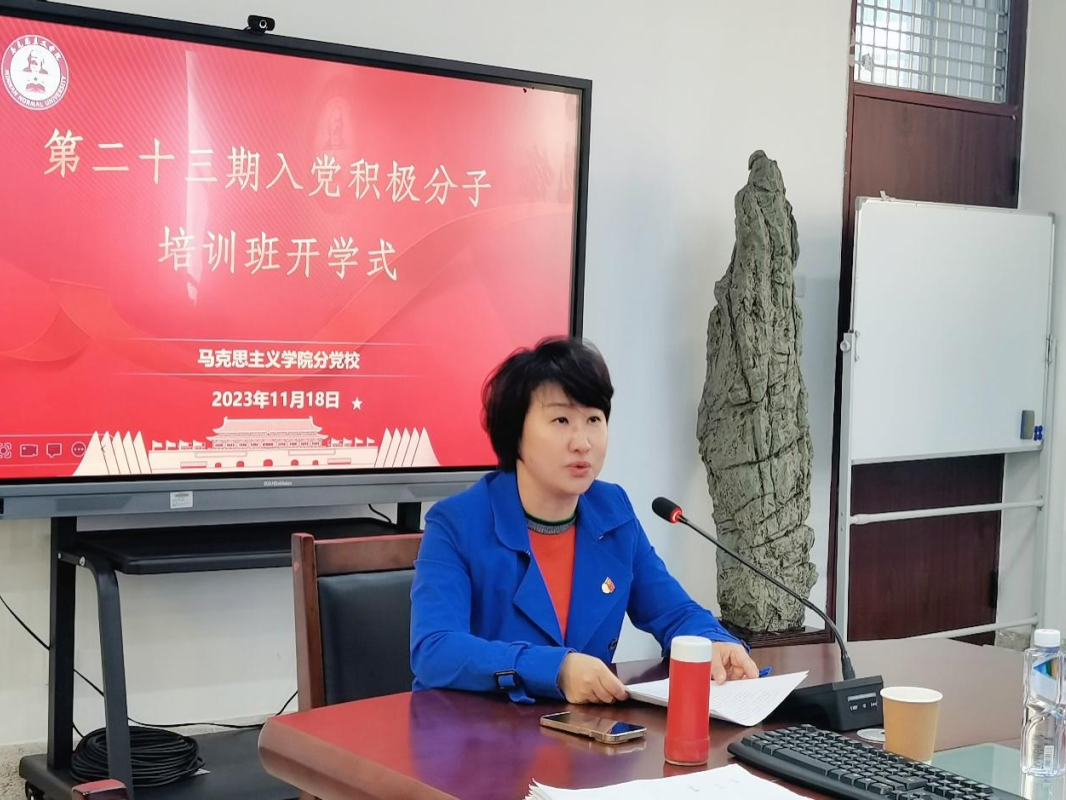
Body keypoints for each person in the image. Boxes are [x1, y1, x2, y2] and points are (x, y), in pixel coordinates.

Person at [410, 337, 758, 704]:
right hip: (477, 730)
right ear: (515, 432)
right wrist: (555, 669)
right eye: (561, 420)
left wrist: (713, 641)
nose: (582, 442)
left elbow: (675, 612)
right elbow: (434, 650)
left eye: (593, 419)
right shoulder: (456, 523)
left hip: (584, 731)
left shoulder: (613, 512)